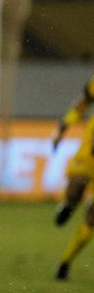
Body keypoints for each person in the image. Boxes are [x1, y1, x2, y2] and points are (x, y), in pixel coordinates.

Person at [50, 74, 94, 280]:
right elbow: (82, 104)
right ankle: (68, 205)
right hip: (88, 155)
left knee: (92, 220)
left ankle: (65, 262)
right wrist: (62, 128)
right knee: (76, 185)